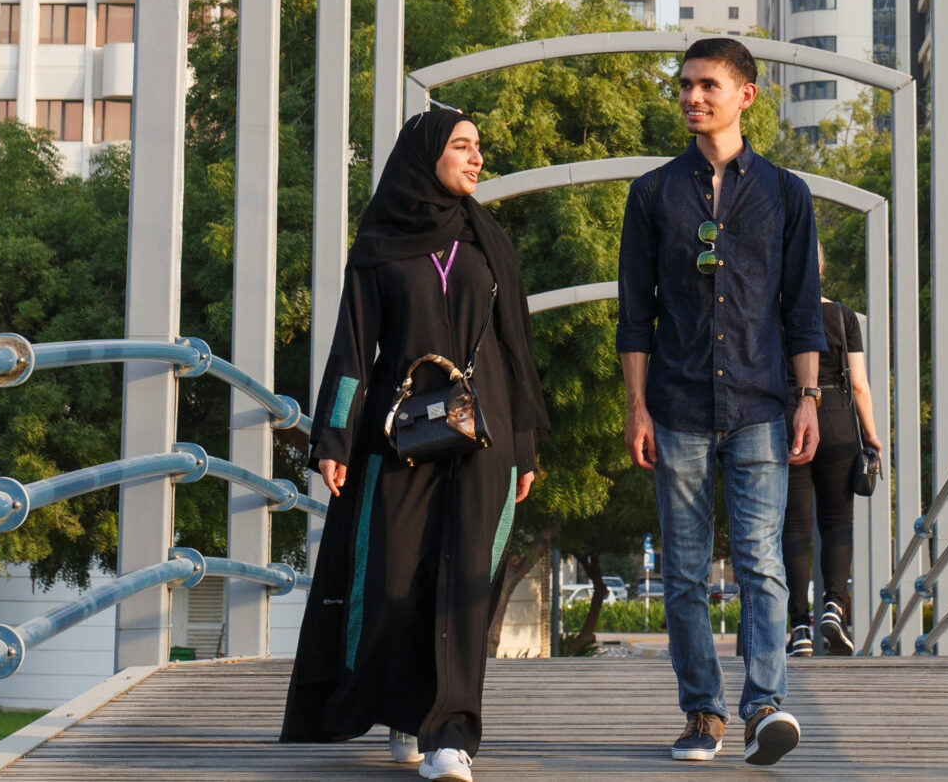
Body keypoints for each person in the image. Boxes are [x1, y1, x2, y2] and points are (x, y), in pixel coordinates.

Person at [282, 108, 551, 782]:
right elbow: (352, 347)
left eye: (478, 147)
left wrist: (525, 444)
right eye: (462, 146)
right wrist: (334, 437)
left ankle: (451, 733)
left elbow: (517, 349)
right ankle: (405, 704)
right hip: (395, 436)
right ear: (425, 153)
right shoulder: (379, 242)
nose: (476, 157)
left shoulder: (488, 239)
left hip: (483, 436)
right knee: (393, 574)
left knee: (464, 580)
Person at [618, 38, 825, 767]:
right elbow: (633, 314)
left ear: (746, 94)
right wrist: (636, 405)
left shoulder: (784, 193)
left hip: (763, 403)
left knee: (762, 564)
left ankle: (764, 705)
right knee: (682, 570)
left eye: (707, 85)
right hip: (675, 404)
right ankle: (701, 711)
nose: (690, 97)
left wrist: (808, 398)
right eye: (683, 85)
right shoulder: (652, 194)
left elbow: (802, 309)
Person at [784, 284, 879, 657]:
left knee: (795, 528)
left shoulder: (774, 314)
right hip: (838, 417)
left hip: (789, 417)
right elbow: (858, 383)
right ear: (820, 270)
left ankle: (799, 628)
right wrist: (871, 435)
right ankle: (834, 608)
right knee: (837, 520)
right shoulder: (843, 316)